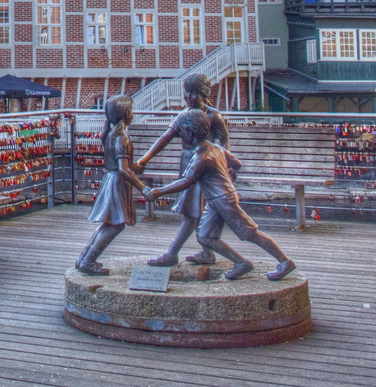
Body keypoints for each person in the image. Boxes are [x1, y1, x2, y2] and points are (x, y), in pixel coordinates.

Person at [145, 110, 296, 281]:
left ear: (189, 133)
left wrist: (159, 191)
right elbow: (236, 163)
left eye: (181, 132)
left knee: (250, 233)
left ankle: (285, 261)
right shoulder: (215, 148)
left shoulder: (201, 158)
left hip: (223, 200)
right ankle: (241, 263)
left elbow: (186, 182)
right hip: (214, 201)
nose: (179, 136)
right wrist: (227, 171)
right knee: (204, 237)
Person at [135, 74, 230, 265]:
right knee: (195, 210)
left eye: (193, 93)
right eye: (186, 91)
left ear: (203, 94)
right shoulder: (184, 116)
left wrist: (224, 161)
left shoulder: (213, 115)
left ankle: (171, 254)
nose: (188, 96)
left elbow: (224, 139)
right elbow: (166, 137)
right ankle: (207, 252)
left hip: (204, 163)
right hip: (188, 161)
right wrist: (145, 158)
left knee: (192, 214)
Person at [74, 96, 147, 276]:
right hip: (117, 184)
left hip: (110, 179)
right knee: (116, 225)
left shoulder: (109, 135)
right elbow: (123, 169)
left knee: (109, 223)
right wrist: (143, 187)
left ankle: (84, 258)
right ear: (127, 114)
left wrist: (134, 166)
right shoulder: (121, 138)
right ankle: (88, 260)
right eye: (132, 111)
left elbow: (120, 163)